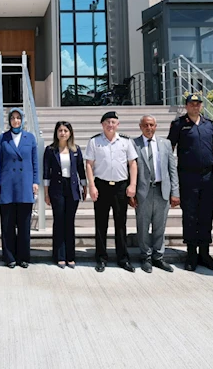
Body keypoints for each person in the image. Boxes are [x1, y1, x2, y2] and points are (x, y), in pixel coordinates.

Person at [167, 93, 213, 272]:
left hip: (208, 176)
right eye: (192, 104)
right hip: (188, 176)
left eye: (198, 104)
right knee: (190, 215)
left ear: (201, 106)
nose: (195, 107)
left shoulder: (208, 125)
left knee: (206, 215)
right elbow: (170, 150)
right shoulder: (178, 125)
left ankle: (205, 253)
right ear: (186, 105)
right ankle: (191, 253)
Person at [84, 111, 138, 273]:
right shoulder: (94, 142)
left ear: (118, 124)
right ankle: (101, 258)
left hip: (121, 187)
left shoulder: (126, 142)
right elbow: (89, 164)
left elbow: (133, 164)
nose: (110, 125)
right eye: (107, 122)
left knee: (120, 224)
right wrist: (92, 186)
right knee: (101, 224)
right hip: (102, 186)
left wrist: (133, 185)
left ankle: (123, 258)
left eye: (113, 122)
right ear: (102, 124)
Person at [132, 115, 179, 274]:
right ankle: (145, 256)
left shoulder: (165, 144)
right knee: (143, 226)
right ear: (140, 127)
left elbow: (172, 169)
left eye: (151, 125)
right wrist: (130, 193)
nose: (149, 128)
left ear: (156, 126)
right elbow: (129, 170)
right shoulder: (134, 144)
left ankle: (158, 257)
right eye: (146, 125)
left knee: (160, 226)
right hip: (143, 192)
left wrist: (175, 192)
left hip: (162, 190)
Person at [0, 108, 39, 269]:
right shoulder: (3, 138)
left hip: (25, 184)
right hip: (7, 185)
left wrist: (35, 181)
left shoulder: (30, 138)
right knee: (7, 224)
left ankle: (23, 257)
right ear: (9, 121)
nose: (15, 121)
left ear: (22, 120)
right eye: (12, 118)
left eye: (18, 118)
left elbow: (35, 162)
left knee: (24, 225)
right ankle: (9, 257)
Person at [42, 121, 86, 267]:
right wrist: (47, 193)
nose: (63, 133)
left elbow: (81, 169)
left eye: (66, 131)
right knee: (59, 221)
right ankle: (59, 255)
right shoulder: (50, 150)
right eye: (60, 130)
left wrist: (84, 187)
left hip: (72, 188)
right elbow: (46, 172)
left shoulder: (76, 149)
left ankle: (70, 256)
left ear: (70, 133)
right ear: (56, 133)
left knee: (69, 222)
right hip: (56, 188)